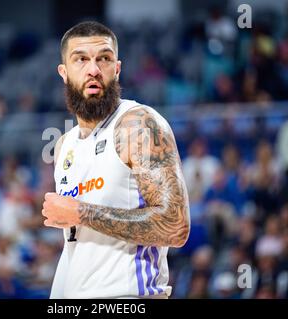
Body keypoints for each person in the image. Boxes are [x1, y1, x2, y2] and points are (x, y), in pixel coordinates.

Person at [41, 21, 190, 299]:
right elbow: (75, 247)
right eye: (81, 59)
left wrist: (81, 212)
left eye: (104, 59)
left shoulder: (138, 125)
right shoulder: (64, 145)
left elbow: (175, 225)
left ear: (117, 69)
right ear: (64, 72)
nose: (93, 69)